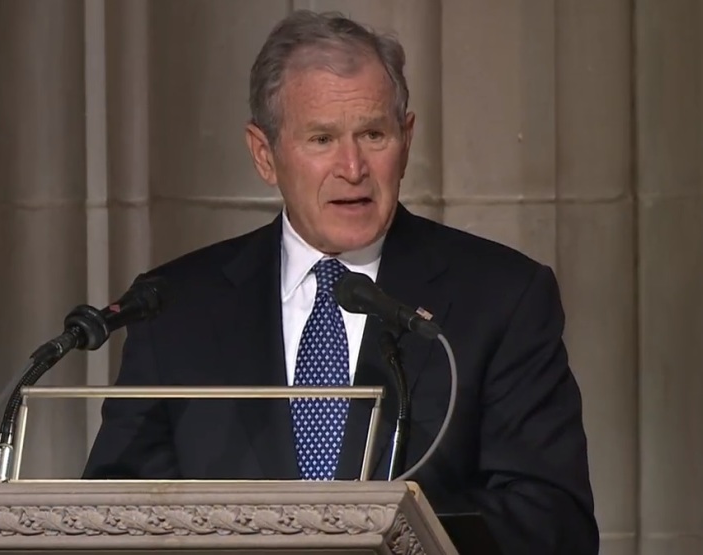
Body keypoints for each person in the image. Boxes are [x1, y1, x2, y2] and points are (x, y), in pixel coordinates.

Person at [83, 10, 599, 554]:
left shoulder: (501, 298)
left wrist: (392, 533)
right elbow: (117, 517)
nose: (352, 168)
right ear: (265, 155)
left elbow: (553, 524)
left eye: (373, 134)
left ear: (406, 138)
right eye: (322, 138)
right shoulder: (175, 308)